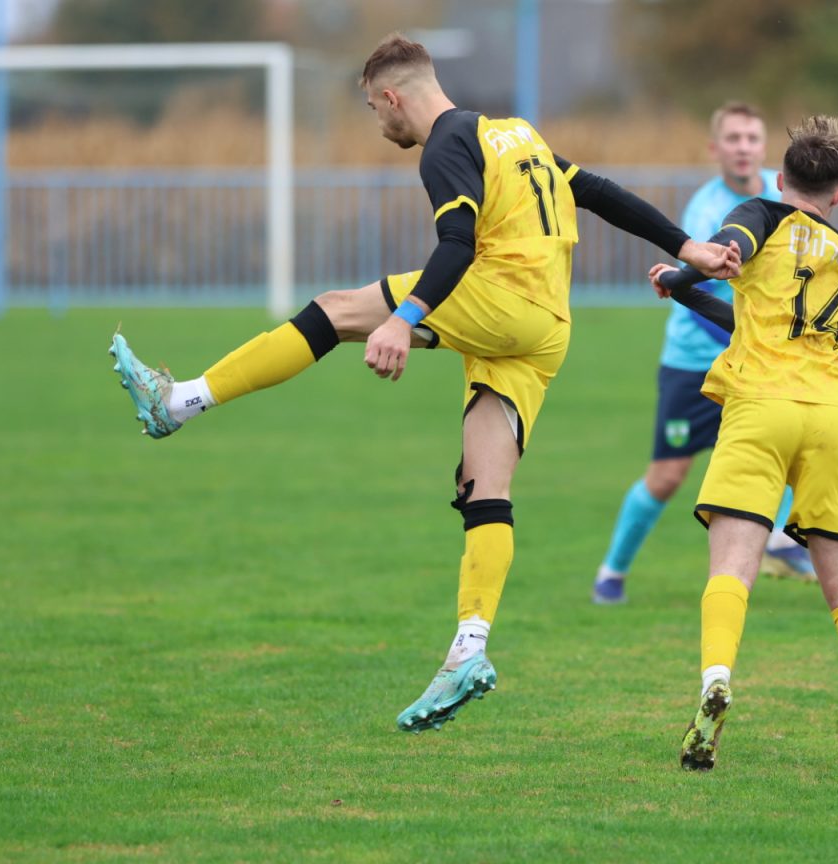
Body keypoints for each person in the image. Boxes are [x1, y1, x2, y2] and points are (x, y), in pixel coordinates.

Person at [108, 34, 739, 734]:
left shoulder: (444, 146)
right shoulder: (514, 133)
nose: (378, 124)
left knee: (335, 310)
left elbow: (457, 245)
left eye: (373, 109)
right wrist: (687, 245)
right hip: (549, 325)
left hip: (501, 298)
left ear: (392, 97)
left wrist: (403, 319)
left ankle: (179, 402)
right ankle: (469, 648)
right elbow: (594, 191)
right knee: (485, 485)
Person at [650, 116, 838, 769]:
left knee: (731, 569)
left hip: (760, 409)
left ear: (778, 178)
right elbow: (770, 319)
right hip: (830, 419)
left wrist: (680, 279)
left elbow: (727, 249)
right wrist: (687, 297)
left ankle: (715, 683)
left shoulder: (759, 214)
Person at [592, 101, 813, 606]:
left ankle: (782, 542)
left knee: (787, 447)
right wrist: (746, 341)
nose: (743, 148)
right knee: (667, 476)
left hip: (756, 358)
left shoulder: (782, 200)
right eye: (733, 139)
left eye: (752, 138)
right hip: (695, 363)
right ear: (715, 149)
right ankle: (612, 571)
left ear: (765, 148)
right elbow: (694, 299)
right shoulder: (706, 210)